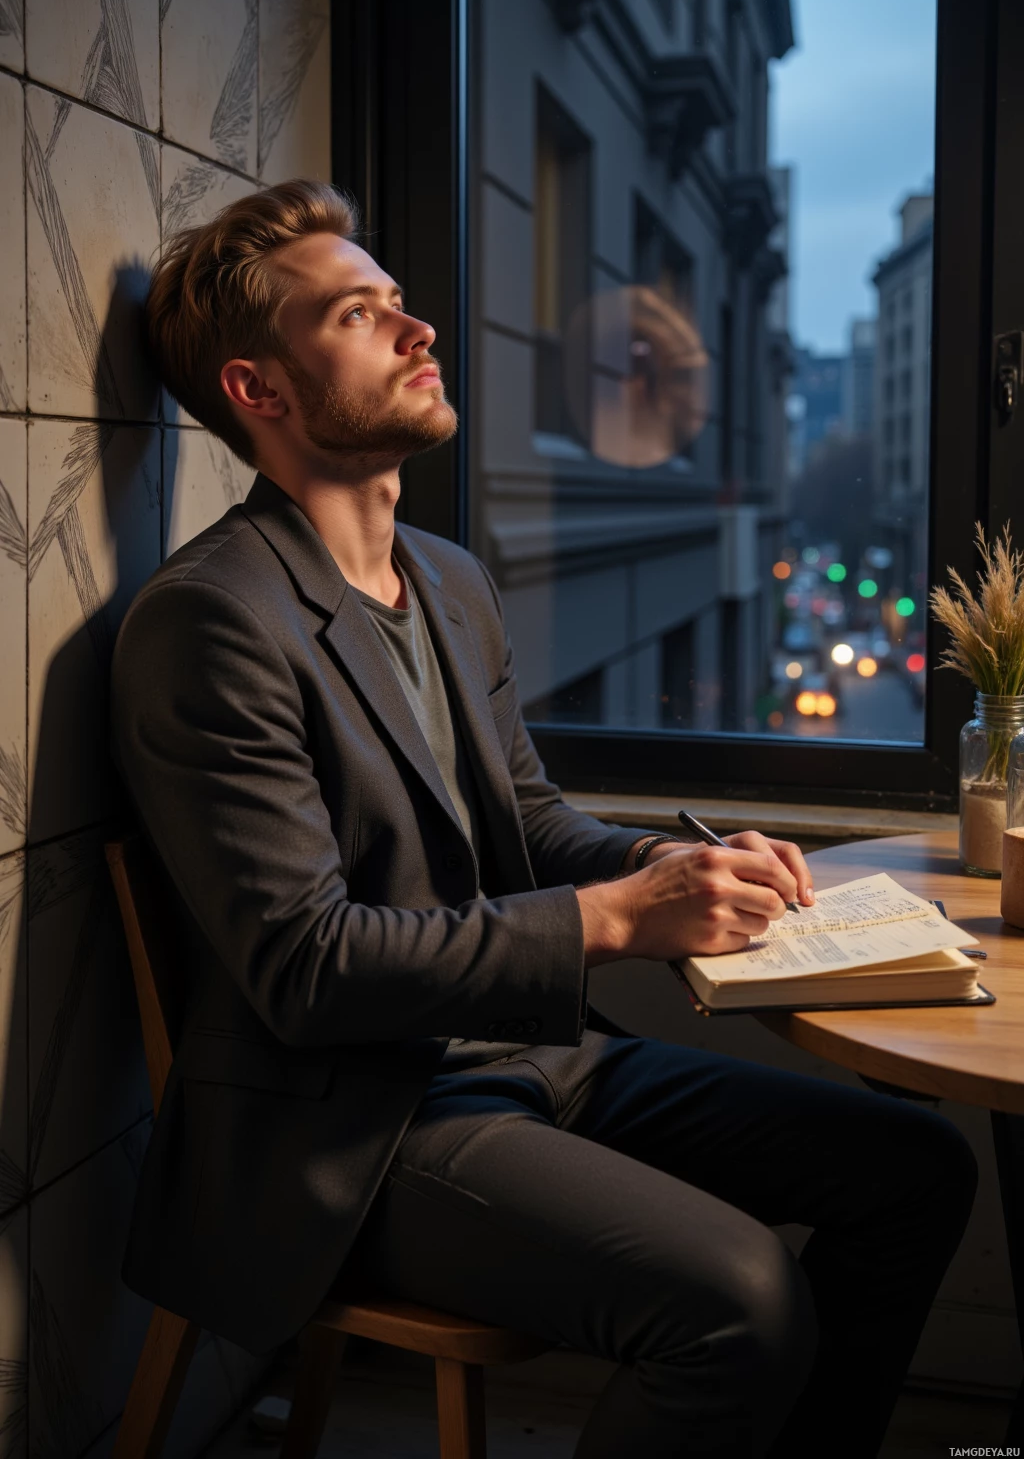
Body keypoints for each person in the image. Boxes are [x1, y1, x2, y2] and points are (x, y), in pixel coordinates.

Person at [111, 179, 977, 1458]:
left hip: (529, 1060)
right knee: (741, 1302)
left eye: (401, 304)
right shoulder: (210, 621)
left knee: (917, 1168)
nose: (419, 333)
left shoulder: (446, 580)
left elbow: (525, 818)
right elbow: (304, 968)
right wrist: (618, 917)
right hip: (354, 1127)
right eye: (361, 315)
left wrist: (663, 861)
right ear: (260, 391)